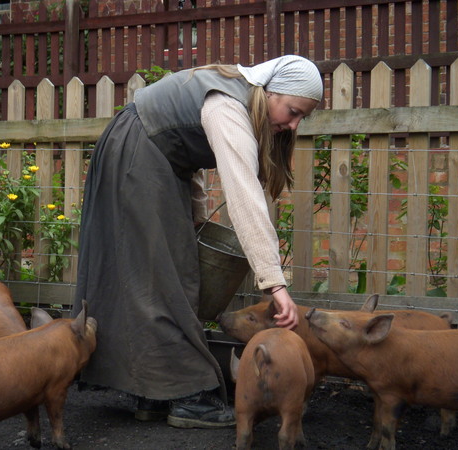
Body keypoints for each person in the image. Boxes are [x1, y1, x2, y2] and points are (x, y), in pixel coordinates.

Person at [73, 55, 323, 428]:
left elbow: (185, 153)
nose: (292, 124)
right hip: (137, 155)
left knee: (155, 272)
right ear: (269, 92)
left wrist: (196, 213)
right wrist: (275, 282)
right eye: (292, 111)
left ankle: (154, 394)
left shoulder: (232, 96)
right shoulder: (227, 105)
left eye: (302, 117)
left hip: (148, 153)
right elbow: (244, 194)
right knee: (162, 277)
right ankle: (186, 397)